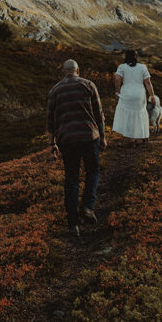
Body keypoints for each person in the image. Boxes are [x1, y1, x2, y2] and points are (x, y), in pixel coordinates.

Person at [46, 59, 107, 237]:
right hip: (89, 136)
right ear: (78, 70)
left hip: (67, 139)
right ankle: (88, 206)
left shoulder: (55, 91)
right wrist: (102, 136)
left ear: (64, 71)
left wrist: (52, 143)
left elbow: (51, 121)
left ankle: (73, 224)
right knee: (92, 171)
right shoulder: (89, 85)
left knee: (71, 179)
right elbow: (99, 114)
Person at [111, 49, 155, 143]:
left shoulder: (122, 67)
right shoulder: (142, 67)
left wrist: (117, 91)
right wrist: (152, 95)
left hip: (126, 93)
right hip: (139, 94)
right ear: (136, 57)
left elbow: (117, 80)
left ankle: (129, 138)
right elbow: (147, 82)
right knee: (140, 114)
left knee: (127, 115)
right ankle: (140, 137)